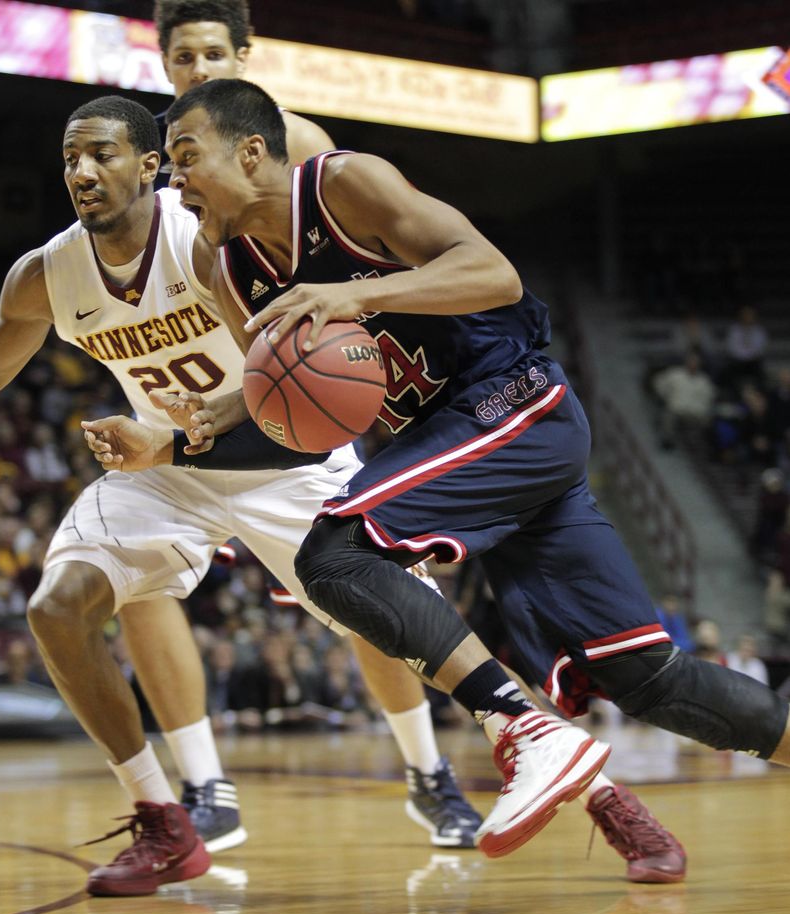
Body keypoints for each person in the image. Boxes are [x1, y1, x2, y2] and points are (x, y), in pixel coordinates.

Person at [145, 77, 790, 857]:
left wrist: (363, 297)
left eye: (185, 156)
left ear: (252, 152)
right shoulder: (227, 268)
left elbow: (494, 276)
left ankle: (522, 731)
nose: (172, 182)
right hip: (452, 449)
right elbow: (299, 393)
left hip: (511, 401)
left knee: (333, 552)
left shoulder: (345, 184)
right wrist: (221, 414)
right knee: (649, 677)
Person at [0, 94, 485, 897]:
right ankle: (163, 818)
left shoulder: (208, 244)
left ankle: (445, 770)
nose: (82, 172)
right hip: (168, 473)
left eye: (102, 155)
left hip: (285, 455)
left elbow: (290, 370)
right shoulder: (48, 272)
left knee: (395, 632)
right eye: (71, 159)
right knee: (56, 606)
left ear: (151, 167)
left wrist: (194, 433)